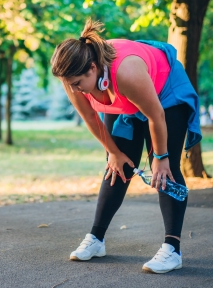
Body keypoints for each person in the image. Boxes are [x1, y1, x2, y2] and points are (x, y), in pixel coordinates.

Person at [50, 19, 201, 274]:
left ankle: (172, 249)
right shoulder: (74, 77)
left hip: (165, 95)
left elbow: (156, 116)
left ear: (93, 68)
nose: (74, 89)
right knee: (116, 167)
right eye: (70, 84)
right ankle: (96, 239)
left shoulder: (126, 72)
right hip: (123, 98)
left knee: (166, 170)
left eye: (77, 83)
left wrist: (161, 157)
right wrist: (114, 153)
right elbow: (90, 118)